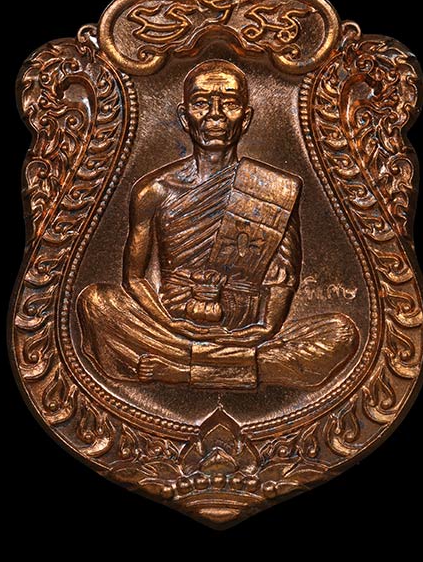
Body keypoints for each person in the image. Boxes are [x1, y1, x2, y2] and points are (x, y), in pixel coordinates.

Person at [77, 60, 358, 389]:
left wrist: (256, 333)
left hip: (244, 334)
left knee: (341, 333)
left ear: (246, 118)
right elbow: (135, 278)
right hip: (169, 328)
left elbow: (280, 285)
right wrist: (173, 325)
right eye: (201, 103)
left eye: (229, 103)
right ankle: (231, 367)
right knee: (96, 303)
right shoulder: (153, 191)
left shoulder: (275, 190)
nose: (215, 115)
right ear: (185, 118)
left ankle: (184, 369)